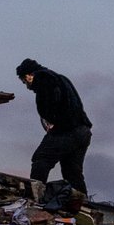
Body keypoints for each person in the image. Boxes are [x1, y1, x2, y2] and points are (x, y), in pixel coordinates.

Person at [17, 58, 91, 204]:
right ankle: (83, 206)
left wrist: (53, 120)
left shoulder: (44, 80)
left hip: (66, 130)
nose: (27, 86)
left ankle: (34, 201)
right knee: (72, 172)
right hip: (83, 131)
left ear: (28, 75)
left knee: (41, 160)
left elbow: (53, 103)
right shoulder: (60, 78)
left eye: (24, 81)